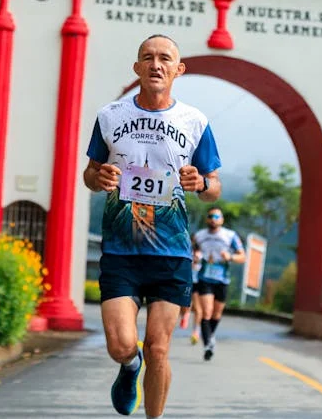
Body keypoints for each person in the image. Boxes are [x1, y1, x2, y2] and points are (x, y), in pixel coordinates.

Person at [83, 34, 222, 418]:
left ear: (179, 70)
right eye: (147, 58)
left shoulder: (194, 122)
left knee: (159, 349)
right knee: (121, 345)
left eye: (165, 59)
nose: (155, 64)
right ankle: (129, 367)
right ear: (137, 68)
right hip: (121, 251)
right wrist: (101, 177)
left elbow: (214, 187)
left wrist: (202, 184)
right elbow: (90, 174)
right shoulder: (110, 116)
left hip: (171, 254)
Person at [192, 207, 246, 361]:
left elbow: (243, 256)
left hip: (222, 279)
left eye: (217, 216)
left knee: (216, 314)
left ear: (222, 220)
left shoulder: (230, 236)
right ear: (206, 219)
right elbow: (192, 252)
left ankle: (210, 335)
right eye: (210, 216)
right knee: (206, 312)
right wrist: (195, 257)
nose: (213, 219)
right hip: (205, 278)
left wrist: (229, 257)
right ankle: (208, 343)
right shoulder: (199, 236)